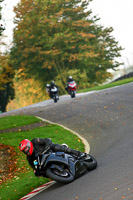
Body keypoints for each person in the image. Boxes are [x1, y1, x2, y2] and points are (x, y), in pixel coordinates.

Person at [19, 138, 87, 176]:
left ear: (29, 145)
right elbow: (34, 166)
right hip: (46, 161)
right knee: (41, 172)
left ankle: (78, 153)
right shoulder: (29, 158)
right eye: (23, 150)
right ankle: (57, 173)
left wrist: (47, 147)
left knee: (55, 147)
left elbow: (47, 140)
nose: (25, 151)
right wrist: (36, 171)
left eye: (25, 148)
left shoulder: (35, 141)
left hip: (50, 151)